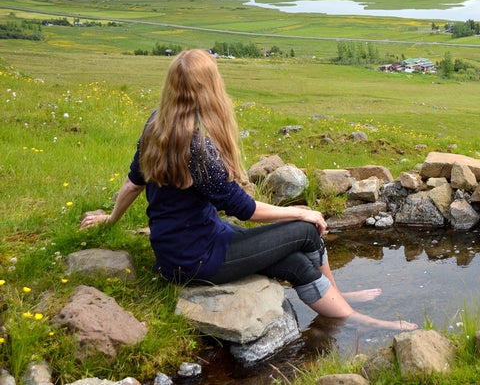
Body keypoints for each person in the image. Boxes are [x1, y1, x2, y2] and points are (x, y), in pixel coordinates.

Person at [80, 48, 417, 331]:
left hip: (178, 254)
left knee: (298, 265)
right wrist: (302, 211)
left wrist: (111, 218)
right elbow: (244, 209)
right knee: (307, 231)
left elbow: (134, 182)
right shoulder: (196, 146)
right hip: (200, 258)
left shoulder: (157, 124)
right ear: (210, 87)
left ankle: (339, 303)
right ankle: (361, 320)